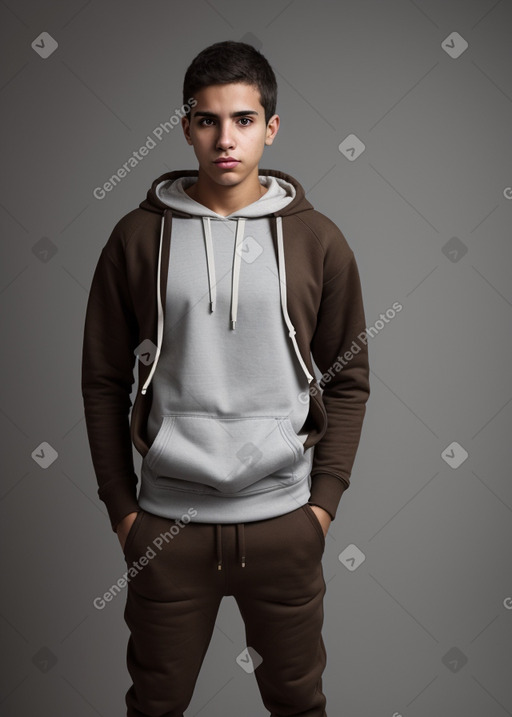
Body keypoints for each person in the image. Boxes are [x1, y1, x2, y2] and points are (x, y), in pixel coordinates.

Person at [82, 39, 370, 717]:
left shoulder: (318, 239)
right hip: (167, 529)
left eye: (243, 120)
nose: (224, 139)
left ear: (271, 128)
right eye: (208, 120)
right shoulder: (135, 238)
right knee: (155, 706)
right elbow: (102, 380)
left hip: (284, 525)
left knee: (299, 706)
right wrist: (125, 513)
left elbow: (348, 377)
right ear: (185, 127)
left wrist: (322, 506)